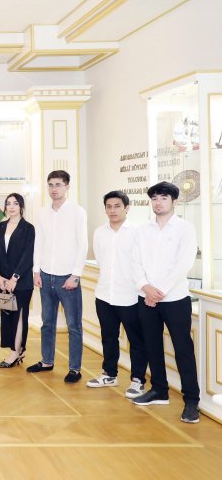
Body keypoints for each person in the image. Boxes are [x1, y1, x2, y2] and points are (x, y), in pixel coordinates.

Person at [131, 181, 200, 424]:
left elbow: (184, 263)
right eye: (154, 198)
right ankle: (159, 390)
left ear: (174, 201)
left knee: (183, 349)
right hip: (146, 298)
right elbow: (135, 262)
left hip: (175, 299)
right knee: (152, 345)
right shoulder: (142, 230)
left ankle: (191, 400)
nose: (158, 203)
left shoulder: (185, 229)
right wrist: (145, 288)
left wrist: (158, 292)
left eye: (163, 198)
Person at [28, 170, 88, 384]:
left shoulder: (77, 212)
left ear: (67, 187)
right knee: (47, 323)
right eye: (51, 185)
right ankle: (47, 361)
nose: (54, 189)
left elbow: (83, 245)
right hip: (45, 275)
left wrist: (76, 275)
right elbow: (38, 242)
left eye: (58, 185)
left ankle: (75, 368)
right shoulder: (43, 212)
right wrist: (36, 271)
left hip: (68, 278)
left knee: (73, 326)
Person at [86, 190, 147, 398]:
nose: (113, 210)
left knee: (136, 340)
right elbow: (101, 260)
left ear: (127, 208)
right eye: (109, 206)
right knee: (108, 337)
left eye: (117, 206)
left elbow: (142, 263)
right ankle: (109, 374)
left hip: (130, 296)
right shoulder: (99, 232)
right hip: (104, 294)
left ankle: (138, 380)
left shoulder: (137, 232)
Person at [0, 193, 35, 368]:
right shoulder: (0, 227)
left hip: (21, 282)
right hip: (3, 281)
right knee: (7, 316)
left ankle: (15, 353)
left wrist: (15, 278)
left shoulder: (28, 228)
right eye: (8, 203)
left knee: (19, 317)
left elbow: (28, 255)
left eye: (15, 203)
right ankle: (19, 349)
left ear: (21, 206)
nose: (11, 206)